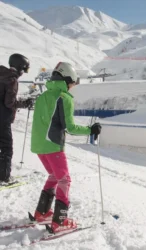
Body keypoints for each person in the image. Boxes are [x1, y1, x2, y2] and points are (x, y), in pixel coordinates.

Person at [31, 62, 102, 234]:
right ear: (66, 80)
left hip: (39, 145)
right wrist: (90, 130)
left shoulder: (43, 96)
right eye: (72, 83)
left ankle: (41, 213)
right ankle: (59, 221)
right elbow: (70, 127)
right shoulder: (64, 98)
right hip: (53, 146)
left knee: (55, 176)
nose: (72, 87)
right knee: (64, 180)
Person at [0, 54, 33, 183]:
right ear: (20, 67)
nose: (24, 73)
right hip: (3, 119)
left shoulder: (2, 75)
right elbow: (9, 102)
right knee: (6, 147)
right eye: (25, 69)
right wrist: (24, 103)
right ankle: (3, 177)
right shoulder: (11, 79)